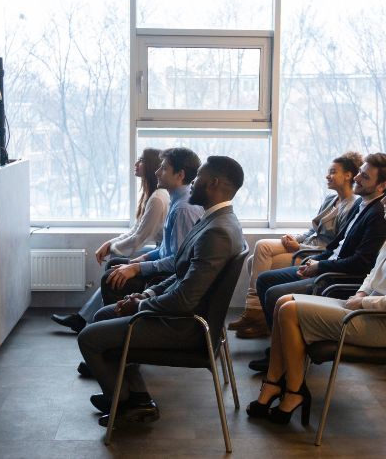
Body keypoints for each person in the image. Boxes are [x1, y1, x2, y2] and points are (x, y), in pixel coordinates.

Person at [246, 175, 386, 426]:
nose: (385, 201)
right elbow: (372, 275)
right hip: (364, 309)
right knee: (284, 302)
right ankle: (277, 385)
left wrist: (364, 303)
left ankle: (290, 390)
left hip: (383, 325)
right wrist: (361, 293)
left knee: (289, 311)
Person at [77, 156, 245, 427]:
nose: (191, 184)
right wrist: (146, 295)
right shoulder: (216, 221)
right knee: (104, 315)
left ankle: (124, 402)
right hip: (180, 315)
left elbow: (186, 298)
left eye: (198, 177)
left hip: (185, 327)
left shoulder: (218, 232)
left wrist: (140, 306)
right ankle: (134, 397)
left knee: (89, 338)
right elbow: (181, 275)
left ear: (213, 183)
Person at [247, 153, 386, 372]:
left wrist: (320, 267)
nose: (356, 178)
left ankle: (284, 358)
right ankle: (282, 348)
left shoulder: (379, 216)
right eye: (358, 174)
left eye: (364, 177)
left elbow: (361, 263)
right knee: (264, 280)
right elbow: (335, 245)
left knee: (274, 293)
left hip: (338, 278)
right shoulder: (361, 204)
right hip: (327, 266)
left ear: (382, 185)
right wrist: (315, 260)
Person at [229, 152, 362, 339]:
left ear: (348, 175)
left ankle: (254, 311)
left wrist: (299, 249)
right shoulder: (330, 200)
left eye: (333, 172)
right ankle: (256, 313)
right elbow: (313, 230)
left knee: (259, 252)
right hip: (307, 246)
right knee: (256, 256)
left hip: (314, 253)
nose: (327, 176)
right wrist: (296, 239)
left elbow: (335, 246)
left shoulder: (353, 206)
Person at [51, 148, 169, 332]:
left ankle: (97, 323)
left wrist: (113, 248)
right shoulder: (153, 195)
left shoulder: (158, 199)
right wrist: (110, 243)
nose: (136, 164)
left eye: (141, 160)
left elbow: (139, 238)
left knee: (113, 269)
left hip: (163, 255)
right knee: (113, 266)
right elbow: (136, 229)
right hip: (160, 251)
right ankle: (86, 319)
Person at [98, 147, 203, 306]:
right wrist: (140, 261)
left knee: (110, 278)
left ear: (180, 175)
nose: (157, 172)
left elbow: (178, 263)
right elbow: (166, 250)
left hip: (169, 278)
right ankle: (104, 320)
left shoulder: (183, 209)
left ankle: (120, 325)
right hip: (167, 266)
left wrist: (137, 267)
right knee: (115, 266)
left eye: (164, 168)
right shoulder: (177, 200)